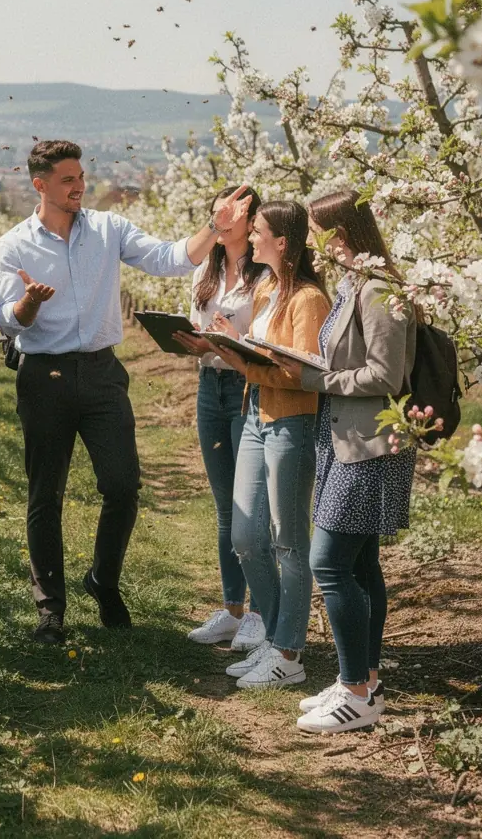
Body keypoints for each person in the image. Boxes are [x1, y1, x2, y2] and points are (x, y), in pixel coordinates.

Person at [0, 139, 253, 644]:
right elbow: (9, 320)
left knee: (122, 485)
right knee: (45, 494)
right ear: (40, 185)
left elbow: (171, 259)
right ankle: (50, 611)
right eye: (67, 179)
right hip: (43, 376)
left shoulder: (109, 229)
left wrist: (217, 227)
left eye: (81, 176)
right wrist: (28, 304)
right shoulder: (14, 245)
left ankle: (103, 579)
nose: (79, 186)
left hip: (103, 374)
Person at [269, 191, 416, 734]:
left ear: (341, 233)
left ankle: (356, 694)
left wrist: (314, 378)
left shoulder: (380, 291)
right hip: (341, 439)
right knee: (359, 566)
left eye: (317, 231)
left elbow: (386, 376)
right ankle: (364, 680)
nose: (312, 242)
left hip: (372, 445)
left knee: (328, 563)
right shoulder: (353, 285)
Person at [209, 200, 329, 690]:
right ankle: (276, 637)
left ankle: (288, 653)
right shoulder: (266, 290)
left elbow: (307, 375)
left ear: (282, 242)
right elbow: (265, 352)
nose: (250, 238)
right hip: (256, 414)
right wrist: (230, 341)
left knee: (288, 541)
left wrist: (241, 362)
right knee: (245, 537)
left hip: (290, 421)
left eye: (257, 231)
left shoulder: (307, 300)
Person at [171, 185, 269, 653]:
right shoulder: (205, 273)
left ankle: (261, 612)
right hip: (209, 387)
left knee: (253, 507)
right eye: (218, 211)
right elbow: (201, 329)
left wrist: (230, 340)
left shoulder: (266, 273)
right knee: (225, 507)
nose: (225, 218)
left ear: (253, 219)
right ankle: (232, 608)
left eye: (235, 210)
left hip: (248, 388)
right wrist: (195, 342)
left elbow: (270, 340)